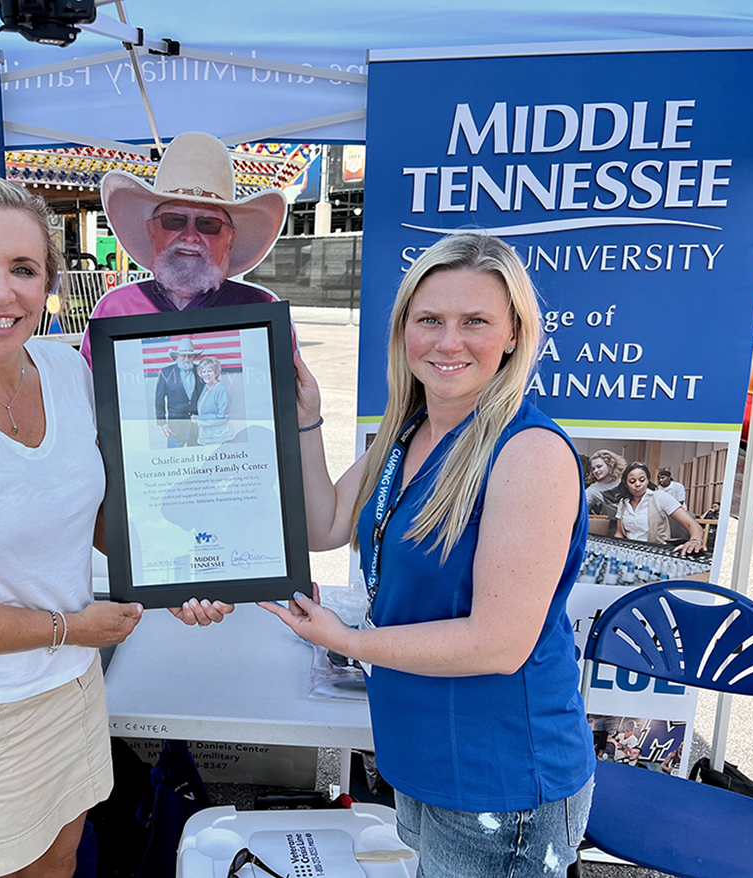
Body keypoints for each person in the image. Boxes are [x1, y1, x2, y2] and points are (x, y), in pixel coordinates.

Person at [0, 176, 226, 878]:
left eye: (23, 270)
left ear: (49, 285)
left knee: (62, 858)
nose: (1, 293)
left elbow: (88, 513)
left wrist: (178, 573)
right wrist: (74, 628)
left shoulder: (64, 370)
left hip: (71, 685)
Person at [262, 233, 595, 877]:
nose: (449, 342)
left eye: (475, 322)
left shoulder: (528, 452)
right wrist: (307, 418)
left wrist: (351, 641)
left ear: (513, 334)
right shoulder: (408, 430)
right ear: (403, 331)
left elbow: (499, 644)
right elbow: (325, 524)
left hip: (498, 778)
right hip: (421, 755)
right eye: (430, 320)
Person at [79, 131, 287, 366]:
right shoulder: (115, 310)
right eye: (174, 220)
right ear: (152, 230)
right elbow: (87, 398)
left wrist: (305, 404)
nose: (190, 236)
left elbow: (281, 398)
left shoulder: (261, 310)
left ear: (229, 237)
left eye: (208, 223)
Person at [614, 462, 705, 554]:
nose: (638, 484)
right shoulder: (623, 503)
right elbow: (619, 533)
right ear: (626, 483)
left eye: (642, 480)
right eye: (632, 481)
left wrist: (695, 540)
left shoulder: (659, 497)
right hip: (629, 551)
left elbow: (693, 525)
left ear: (648, 480)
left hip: (655, 552)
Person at [154, 338, 204, 446]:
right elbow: (159, 400)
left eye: (189, 356)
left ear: (193, 357)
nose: (186, 359)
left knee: (198, 459)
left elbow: (208, 397)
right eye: (183, 355)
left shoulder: (201, 371)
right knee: (173, 460)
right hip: (175, 428)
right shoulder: (166, 373)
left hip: (197, 428)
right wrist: (162, 424)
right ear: (177, 356)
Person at [193, 354, 232, 445]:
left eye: (209, 371)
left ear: (215, 372)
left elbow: (223, 417)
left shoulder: (222, 390)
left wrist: (199, 419)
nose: (206, 374)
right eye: (204, 371)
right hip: (206, 437)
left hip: (219, 438)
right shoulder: (205, 388)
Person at [585, 448, 627, 518]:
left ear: (610, 465)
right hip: (614, 523)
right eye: (593, 469)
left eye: (599, 466)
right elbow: (580, 504)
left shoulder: (625, 479)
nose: (596, 471)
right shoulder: (593, 489)